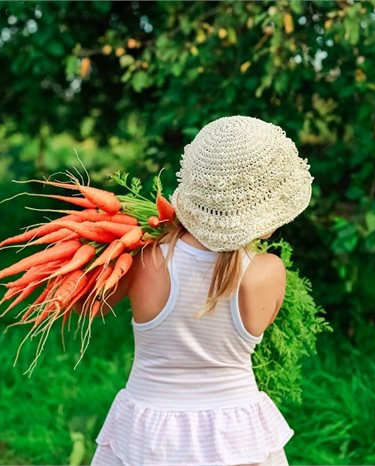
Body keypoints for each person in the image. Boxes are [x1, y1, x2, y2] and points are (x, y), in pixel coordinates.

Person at [89, 115, 314, 466]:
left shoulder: (144, 260)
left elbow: (89, 307)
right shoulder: (267, 272)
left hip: (148, 433)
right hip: (236, 436)